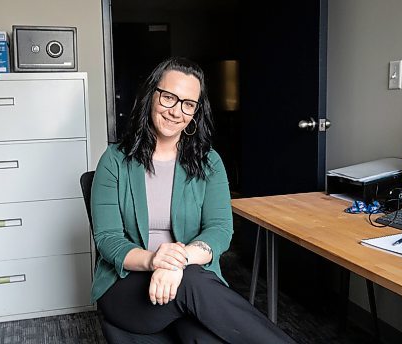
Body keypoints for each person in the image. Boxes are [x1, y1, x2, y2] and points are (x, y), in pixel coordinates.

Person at [90, 57, 294, 343]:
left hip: (187, 279)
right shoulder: (115, 160)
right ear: (152, 95)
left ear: (196, 111)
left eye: (188, 104)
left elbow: (220, 230)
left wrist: (178, 261)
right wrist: (154, 260)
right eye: (169, 98)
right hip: (126, 286)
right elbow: (108, 239)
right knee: (194, 282)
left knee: (204, 336)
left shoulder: (209, 162)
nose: (177, 112)